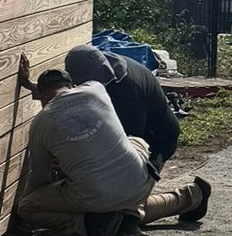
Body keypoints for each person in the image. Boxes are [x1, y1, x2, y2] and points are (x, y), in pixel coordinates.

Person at [14, 67, 210, 236]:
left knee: (28, 207)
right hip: (137, 182)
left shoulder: (41, 122)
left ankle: (87, 224)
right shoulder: (95, 89)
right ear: (72, 86)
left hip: (96, 196)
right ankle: (193, 196)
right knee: (135, 144)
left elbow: (40, 178)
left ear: (41, 97)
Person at [65, 43, 180, 173]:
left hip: (157, 138)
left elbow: (133, 140)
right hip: (137, 127)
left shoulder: (128, 91)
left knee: (128, 177)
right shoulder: (103, 64)